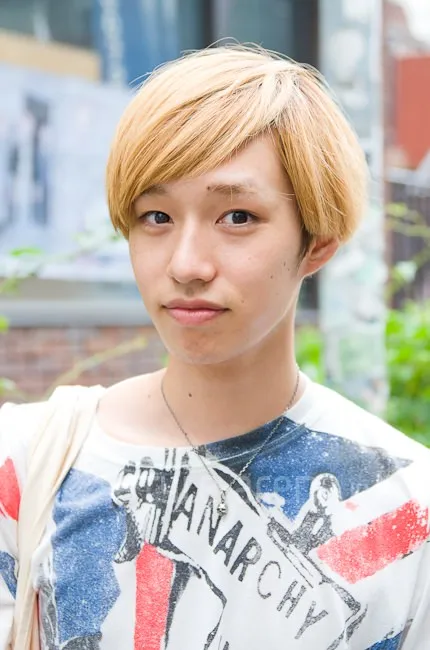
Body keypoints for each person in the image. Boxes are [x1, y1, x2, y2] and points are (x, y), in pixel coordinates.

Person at [1, 45, 429, 650]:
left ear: (317, 241)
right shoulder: (30, 461)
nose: (186, 265)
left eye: (237, 217)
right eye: (156, 216)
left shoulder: (407, 507)